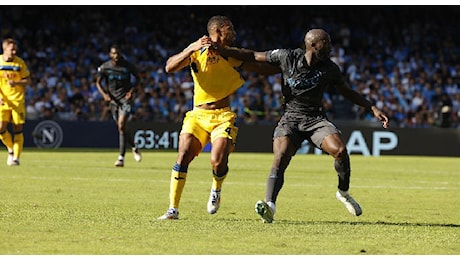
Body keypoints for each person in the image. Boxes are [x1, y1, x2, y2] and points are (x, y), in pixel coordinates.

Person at [213, 28, 389, 223]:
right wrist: (225, 50)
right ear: (312, 45)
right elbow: (253, 55)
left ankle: (343, 192)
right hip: (290, 119)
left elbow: (347, 91)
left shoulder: (330, 68)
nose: (330, 47)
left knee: (340, 151)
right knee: (280, 157)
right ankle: (269, 206)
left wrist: (371, 107)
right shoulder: (286, 57)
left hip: (315, 119)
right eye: (326, 43)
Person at [157, 15, 279, 220]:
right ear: (219, 30)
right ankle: (173, 209)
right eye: (230, 29)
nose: (234, 33)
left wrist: (286, 66)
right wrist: (191, 47)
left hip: (222, 116)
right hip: (197, 115)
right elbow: (169, 67)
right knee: (183, 154)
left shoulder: (230, 54)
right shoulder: (197, 51)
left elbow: (259, 68)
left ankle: (216, 189)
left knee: (217, 160)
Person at [96, 45, 142, 167]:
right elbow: (98, 82)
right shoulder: (105, 67)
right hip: (113, 101)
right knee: (122, 128)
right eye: (114, 54)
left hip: (126, 100)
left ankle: (121, 157)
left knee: (121, 125)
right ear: (110, 55)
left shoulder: (127, 66)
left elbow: (138, 79)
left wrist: (132, 91)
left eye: (118, 53)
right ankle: (134, 146)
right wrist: (104, 94)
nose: (116, 56)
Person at [0, 38, 31, 166]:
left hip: (17, 100)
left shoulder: (20, 63)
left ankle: (16, 158)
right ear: (4, 49)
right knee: (1, 129)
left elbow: (28, 80)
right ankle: (11, 148)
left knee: (18, 129)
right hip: (3, 100)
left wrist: (16, 82)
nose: (14, 52)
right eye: (11, 49)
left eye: (15, 50)